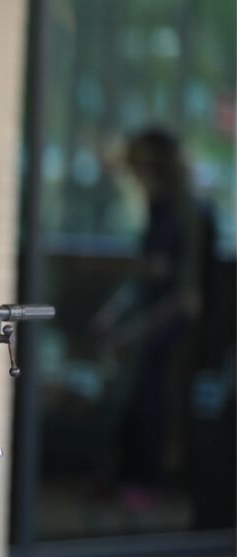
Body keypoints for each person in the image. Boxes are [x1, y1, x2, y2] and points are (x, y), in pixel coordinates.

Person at [95, 128, 217, 507]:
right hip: (150, 325)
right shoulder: (160, 211)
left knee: (153, 401)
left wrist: (132, 331)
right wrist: (113, 314)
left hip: (172, 332)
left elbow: (187, 297)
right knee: (132, 396)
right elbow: (144, 275)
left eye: (139, 170)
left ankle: (148, 480)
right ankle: (124, 476)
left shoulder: (191, 218)